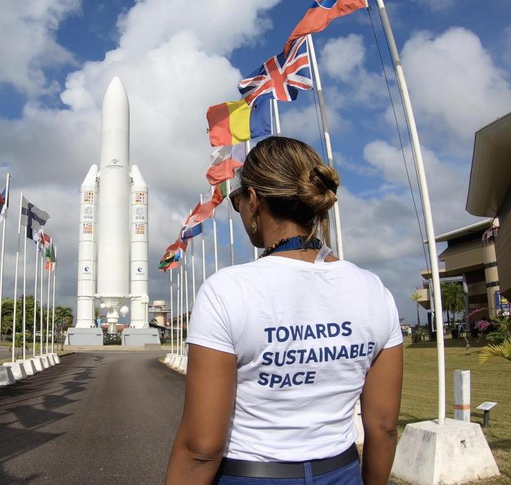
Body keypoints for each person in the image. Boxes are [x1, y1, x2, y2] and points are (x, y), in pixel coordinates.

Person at [165, 136, 402, 485]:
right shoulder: (374, 290)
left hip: (250, 475)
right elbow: (383, 429)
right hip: (341, 472)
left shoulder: (227, 290)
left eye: (238, 200)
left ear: (255, 200)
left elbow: (201, 448)